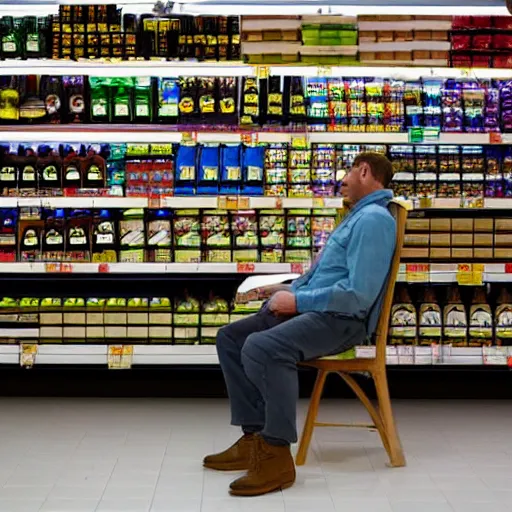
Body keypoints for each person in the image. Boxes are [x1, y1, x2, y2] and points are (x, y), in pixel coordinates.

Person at [203, 152, 397, 497]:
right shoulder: (357, 217)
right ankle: (254, 438)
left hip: (340, 321)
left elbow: (358, 296)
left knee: (264, 347)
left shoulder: (373, 221)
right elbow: (332, 277)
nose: (343, 180)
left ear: (364, 171)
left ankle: (277, 454)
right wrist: (288, 289)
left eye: (348, 172)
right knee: (231, 339)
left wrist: (297, 301)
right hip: (319, 311)